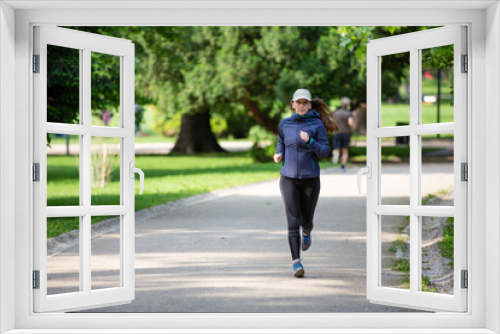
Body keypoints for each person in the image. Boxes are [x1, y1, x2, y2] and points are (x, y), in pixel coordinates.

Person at [273, 88, 338, 277]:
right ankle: (296, 262)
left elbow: (325, 151)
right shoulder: (284, 124)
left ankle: (307, 230)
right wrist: (279, 154)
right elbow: (281, 142)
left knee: (305, 219)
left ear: (309, 105)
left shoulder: (316, 124)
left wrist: (310, 141)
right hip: (288, 178)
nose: (301, 105)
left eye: (304, 103)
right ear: (292, 104)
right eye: (298, 102)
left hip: (310, 178)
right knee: (292, 221)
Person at [332, 97, 355, 173]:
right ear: (348, 105)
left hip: (337, 133)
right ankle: (342, 167)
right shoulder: (349, 113)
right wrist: (353, 127)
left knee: (336, 148)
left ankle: (336, 154)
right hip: (346, 133)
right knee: (345, 150)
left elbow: (332, 122)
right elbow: (350, 123)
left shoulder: (336, 112)